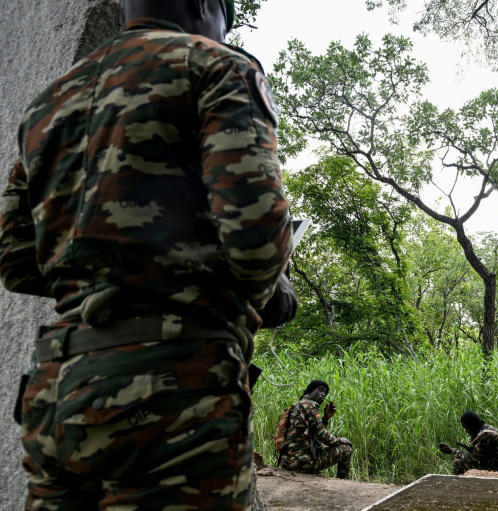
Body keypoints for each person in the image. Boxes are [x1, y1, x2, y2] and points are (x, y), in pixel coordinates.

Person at [1, 1, 294, 509]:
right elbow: (257, 243)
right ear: (203, 4)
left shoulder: (48, 103)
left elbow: (15, 261)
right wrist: (274, 291)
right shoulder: (214, 66)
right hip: (172, 396)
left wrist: (112, 272)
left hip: (57, 392)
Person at [278, 380, 353, 478]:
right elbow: (322, 435)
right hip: (303, 463)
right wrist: (340, 440)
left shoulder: (298, 405)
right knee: (346, 449)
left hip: (288, 462)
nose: (323, 394)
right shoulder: (310, 405)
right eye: (320, 390)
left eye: (325, 393)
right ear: (311, 390)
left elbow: (313, 432)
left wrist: (325, 418)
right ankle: (343, 482)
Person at [439, 411, 498, 475]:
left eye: (466, 428)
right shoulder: (491, 429)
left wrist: (452, 451)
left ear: (471, 426)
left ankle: (459, 486)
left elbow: (473, 459)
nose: (466, 431)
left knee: (457, 463)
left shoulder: (485, 435)